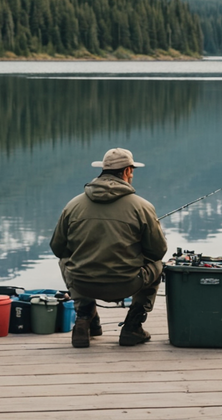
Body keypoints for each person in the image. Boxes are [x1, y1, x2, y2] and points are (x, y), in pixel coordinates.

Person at [51, 148, 167, 348]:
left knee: (65, 261)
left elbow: (58, 248)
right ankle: (132, 326)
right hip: (128, 284)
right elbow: (157, 252)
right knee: (157, 265)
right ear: (127, 171)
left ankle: (84, 319)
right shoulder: (142, 207)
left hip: (83, 284)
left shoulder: (73, 205)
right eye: (132, 171)